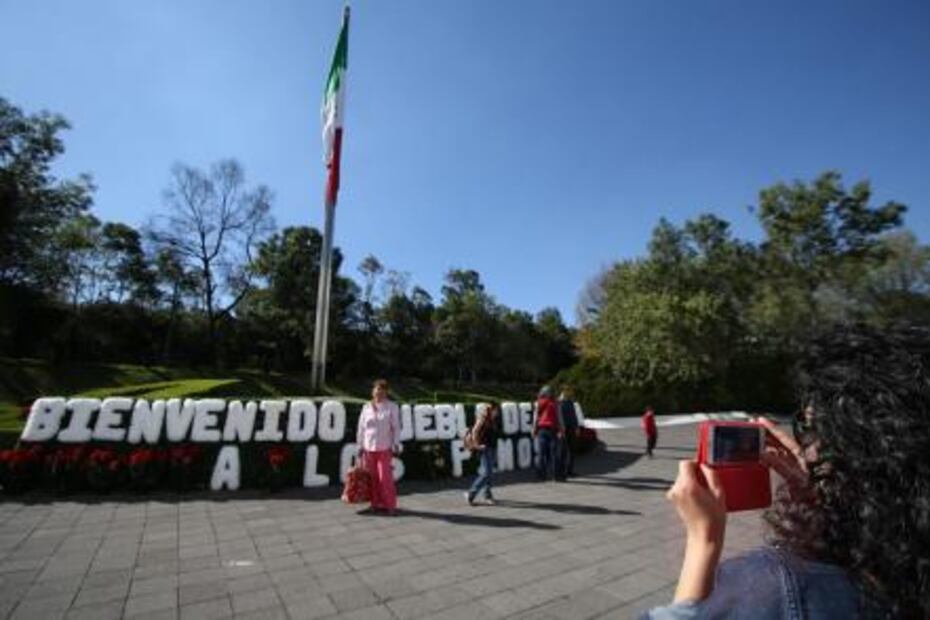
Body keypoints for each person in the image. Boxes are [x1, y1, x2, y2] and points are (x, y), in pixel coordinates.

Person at [642, 324, 930, 619]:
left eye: (810, 428)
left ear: (853, 450)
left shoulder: (776, 588)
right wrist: (823, 499)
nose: (805, 448)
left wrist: (703, 539)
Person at [355, 379, 402, 515]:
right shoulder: (366, 407)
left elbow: (396, 427)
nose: (379, 393)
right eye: (377, 390)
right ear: (373, 391)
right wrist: (359, 445)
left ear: (387, 393)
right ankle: (374, 504)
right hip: (368, 448)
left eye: (382, 390)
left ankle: (390, 506)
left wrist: (396, 443)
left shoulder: (392, 407)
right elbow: (361, 428)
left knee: (385, 478)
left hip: (384, 448)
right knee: (372, 479)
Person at [465, 402, 500, 506]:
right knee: (486, 473)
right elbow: (475, 431)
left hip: (492, 448)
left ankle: (487, 495)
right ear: (491, 410)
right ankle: (471, 493)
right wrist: (477, 445)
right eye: (496, 410)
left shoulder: (493, 420)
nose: (497, 412)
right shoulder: (483, 418)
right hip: (485, 449)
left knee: (489, 473)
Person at [533, 385, 562, 481]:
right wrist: (561, 430)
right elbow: (559, 417)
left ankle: (541, 475)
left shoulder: (538, 403)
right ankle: (556, 476)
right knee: (554, 453)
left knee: (541, 453)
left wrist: (534, 429)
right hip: (552, 429)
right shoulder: (555, 403)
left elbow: (535, 418)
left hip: (541, 430)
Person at [558, 388, 579, 478]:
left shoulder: (570, 402)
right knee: (563, 451)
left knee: (571, 450)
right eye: (566, 392)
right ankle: (562, 472)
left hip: (571, 428)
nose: (568, 393)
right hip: (563, 429)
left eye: (569, 392)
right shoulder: (559, 403)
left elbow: (574, 416)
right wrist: (560, 430)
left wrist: (576, 427)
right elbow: (558, 417)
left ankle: (570, 470)